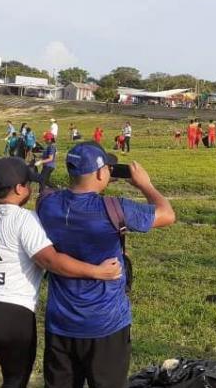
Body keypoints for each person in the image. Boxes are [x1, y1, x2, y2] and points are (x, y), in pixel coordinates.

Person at [0, 157, 122, 388]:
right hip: (11, 315)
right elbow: (51, 261)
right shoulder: (24, 219)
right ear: (20, 189)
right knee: (14, 380)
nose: (31, 189)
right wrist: (97, 272)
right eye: (29, 184)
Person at [37, 143, 175, 387]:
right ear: (101, 173)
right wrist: (145, 184)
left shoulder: (47, 204)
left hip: (60, 323)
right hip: (106, 323)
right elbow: (167, 214)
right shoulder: (114, 207)